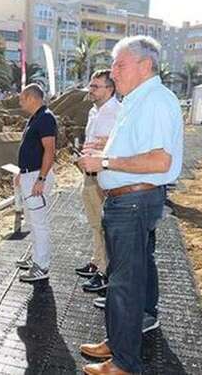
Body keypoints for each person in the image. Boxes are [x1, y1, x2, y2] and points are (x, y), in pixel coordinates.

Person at [77, 36, 183, 375]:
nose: (113, 72)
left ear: (145, 65)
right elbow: (141, 145)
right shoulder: (139, 100)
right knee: (127, 277)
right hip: (131, 200)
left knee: (124, 282)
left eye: (119, 65)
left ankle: (124, 362)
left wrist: (104, 164)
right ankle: (118, 342)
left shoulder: (154, 101)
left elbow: (158, 159)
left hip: (134, 201)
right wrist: (106, 147)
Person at [75, 70, 121, 295]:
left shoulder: (118, 114)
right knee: (95, 223)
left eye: (95, 87)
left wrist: (100, 150)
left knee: (105, 225)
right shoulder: (94, 111)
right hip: (89, 175)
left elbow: (120, 151)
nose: (90, 90)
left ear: (109, 89)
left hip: (105, 178)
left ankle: (104, 271)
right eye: (90, 86)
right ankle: (97, 260)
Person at [14, 84, 57, 282]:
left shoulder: (46, 117)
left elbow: (49, 150)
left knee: (39, 223)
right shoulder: (35, 118)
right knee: (32, 220)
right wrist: (21, 173)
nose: (20, 102)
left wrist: (41, 178)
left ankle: (42, 266)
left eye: (22, 98)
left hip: (36, 178)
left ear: (32, 98)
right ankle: (36, 258)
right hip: (28, 176)